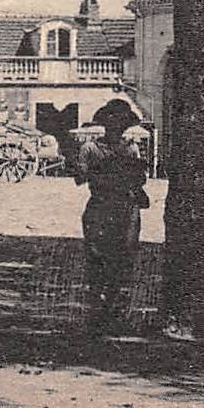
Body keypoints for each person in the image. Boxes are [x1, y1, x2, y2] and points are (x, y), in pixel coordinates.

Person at [73, 124, 151, 334]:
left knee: (121, 257)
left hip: (124, 209)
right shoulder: (90, 149)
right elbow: (79, 177)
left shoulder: (131, 149)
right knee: (98, 256)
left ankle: (113, 308)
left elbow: (140, 178)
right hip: (102, 205)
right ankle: (98, 310)